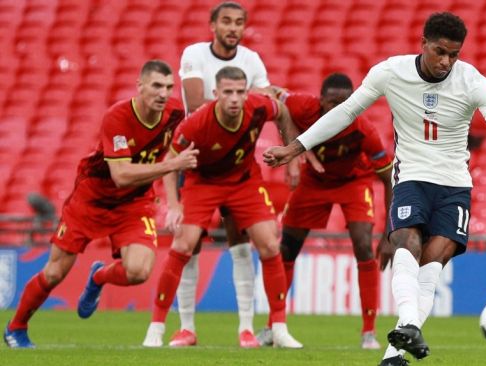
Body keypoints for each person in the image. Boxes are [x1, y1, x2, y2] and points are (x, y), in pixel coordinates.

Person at [263, 12, 486, 365]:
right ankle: (410, 325)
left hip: (454, 185)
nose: (446, 61)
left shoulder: (472, 81)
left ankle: (392, 354)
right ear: (423, 43)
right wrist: (296, 147)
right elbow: (347, 112)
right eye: (440, 52)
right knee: (406, 241)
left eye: (454, 55)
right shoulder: (390, 72)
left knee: (432, 264)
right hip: (412, 176)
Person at [3, 60, 199, 348]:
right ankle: (16, 327)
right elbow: (120, 175)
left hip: (134, 202)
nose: (163, 93)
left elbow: (202, 119)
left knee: (139, 271)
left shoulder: (174, 113)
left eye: (169, 87)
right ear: (140, 85)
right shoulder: (118, 117)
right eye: (156, 86)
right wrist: (173, 164)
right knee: (55, 271)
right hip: (91, 199)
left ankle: (99, 276)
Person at [142, 66, 303, 348]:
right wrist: (174, 204)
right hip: (202, 182)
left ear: (246, 92)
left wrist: (291, 154)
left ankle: (277, 326)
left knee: (269, 245)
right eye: (227, 92)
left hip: (244, 181)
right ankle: (158, 327)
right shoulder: (196, 124)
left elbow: (283, 111)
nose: (234, 98)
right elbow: (171, 161)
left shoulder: (258, 106)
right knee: (183, 245)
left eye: (240, 92)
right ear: (215, 94)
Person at [256, 73, 393, 350]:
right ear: (320, 102)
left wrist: (389, 233)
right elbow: (269, 93)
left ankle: (369, 332)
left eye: (345, 103)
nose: (338, 110)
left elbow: (388, 179)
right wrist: (296, 149)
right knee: (287, 249)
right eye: (332, 103)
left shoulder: (364, 130)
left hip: (353, 182)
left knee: (364, 244)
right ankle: (274, 326)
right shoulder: (302, 106)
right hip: (313, 183)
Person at [173, 1, 277, 348]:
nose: (233, 28)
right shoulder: (194, 54)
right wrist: (242, 100)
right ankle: (186, 327)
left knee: (241, 243)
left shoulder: (251, 59)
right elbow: (194, 104)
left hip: (237, 162)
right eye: (227, 22)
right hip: (196, 158)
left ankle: (245, 328)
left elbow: (267, 100)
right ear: (212, 25)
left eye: (239, 23)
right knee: (190, 246)